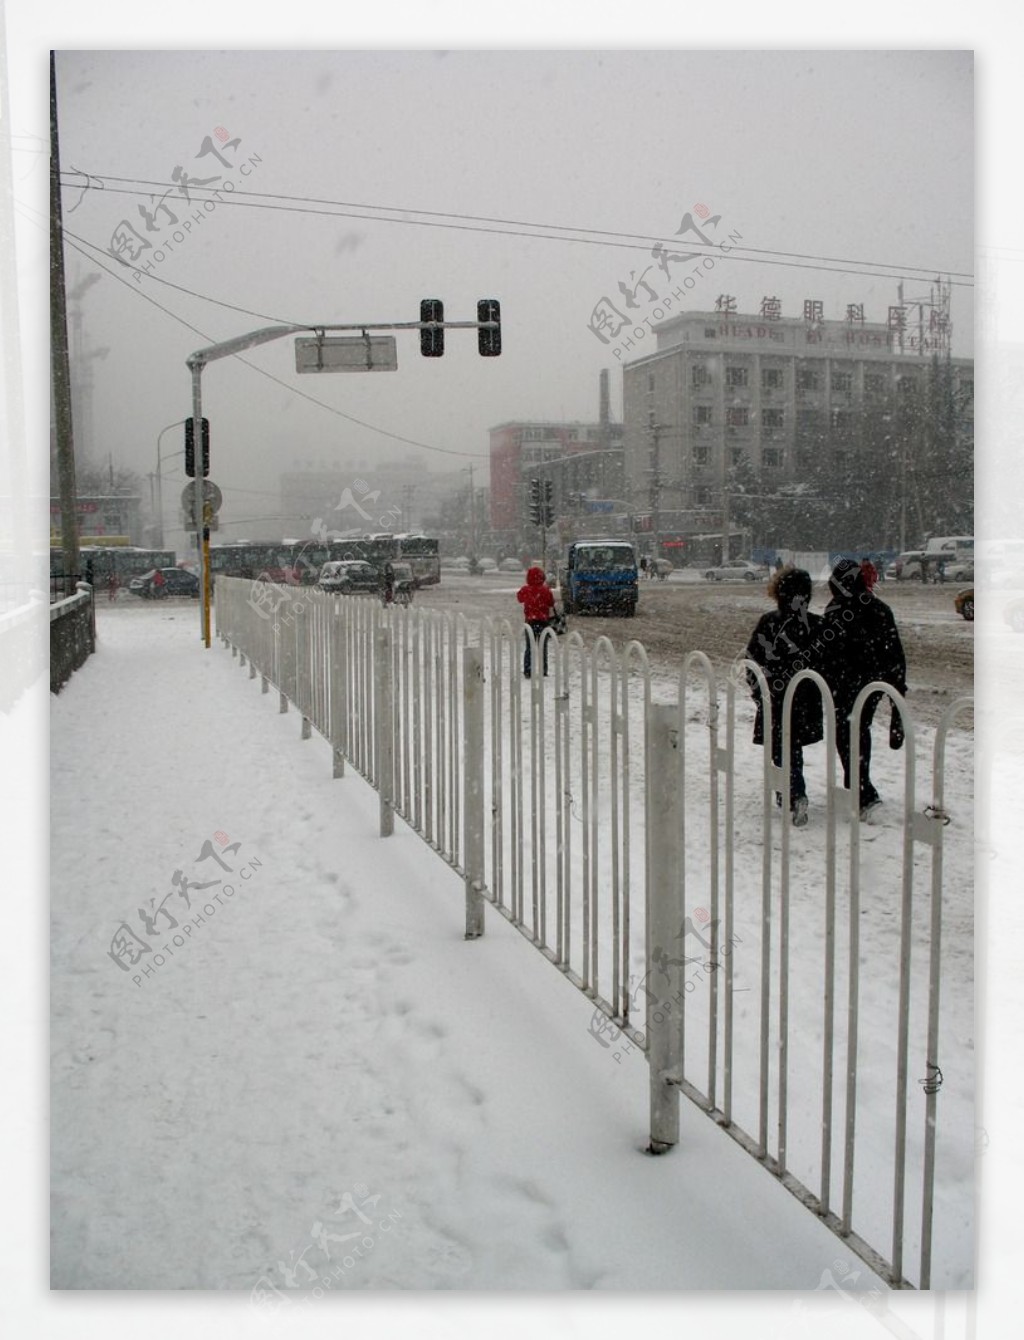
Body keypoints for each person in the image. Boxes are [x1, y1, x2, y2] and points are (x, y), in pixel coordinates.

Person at [821, 557, 907, 819]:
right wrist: (896, 694)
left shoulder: (835, 608)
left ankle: (859, 783)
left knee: (846, 731)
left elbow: (827, 650)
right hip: (874, 681)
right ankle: (859, 780)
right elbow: (895, 653)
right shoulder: (880, 608)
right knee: (860, 728)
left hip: (844, 683)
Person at [743, 566, 824, 827]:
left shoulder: (770, 622)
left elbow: (752, 660)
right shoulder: (816, 625)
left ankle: (792, 792)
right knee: (792, 747)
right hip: (805, 700)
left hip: (775, 697)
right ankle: (788, 791)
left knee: (781, 748)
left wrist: (759, 692)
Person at [516, 565, 556, 678]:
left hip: (530, 621)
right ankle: (543, 670)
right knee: (543, 647)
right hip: (543, 621)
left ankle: (528, 670)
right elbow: (551, 603)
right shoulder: (545, 590)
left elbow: (519, 599)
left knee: (529, 647)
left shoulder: (526, 589)